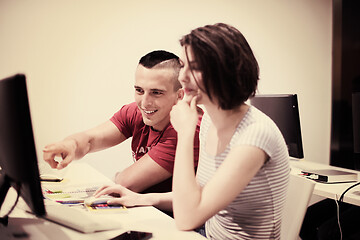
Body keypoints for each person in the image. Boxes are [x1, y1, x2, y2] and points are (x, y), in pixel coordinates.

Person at [95, 23, 290, 239]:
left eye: (194, 67)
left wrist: (186, 133)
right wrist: (144, 198)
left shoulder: (254, 135)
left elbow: (188, 217)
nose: (182, 77)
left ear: (224, 72)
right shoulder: (210, 122)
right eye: (183, 66)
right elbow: (196, 197)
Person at [43, 50, 201, 195]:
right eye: (139, 90)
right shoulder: (136, 112)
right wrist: (69, 145)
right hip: (148, 210)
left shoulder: (188, 128)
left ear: (180, 95)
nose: (145, 103)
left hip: (176, 221)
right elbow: (91, 140)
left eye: (156, 93)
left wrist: (117, 177)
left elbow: (126, 183)